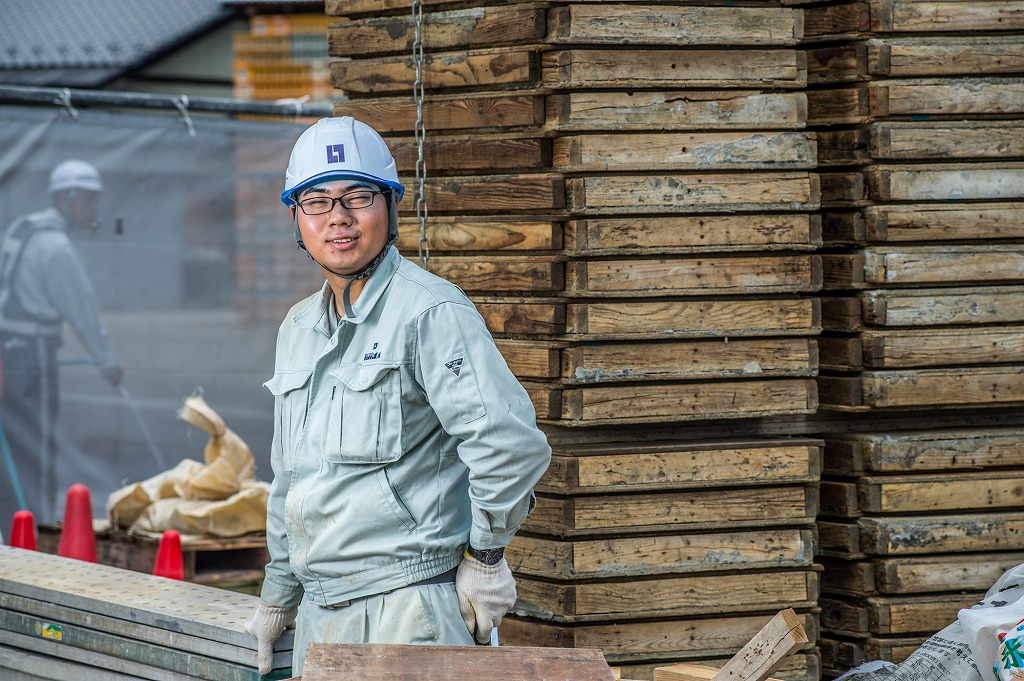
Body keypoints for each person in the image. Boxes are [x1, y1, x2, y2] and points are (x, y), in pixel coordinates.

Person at [245, 117, 551, 675]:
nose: (337, 217)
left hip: (410, 610)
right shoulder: (297, 329)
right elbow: (291, 477)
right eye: (316, 201)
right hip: (320, 613)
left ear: (388, 206)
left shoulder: (429, 312)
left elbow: (507, 444)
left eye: (357, 196)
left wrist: (484, 557)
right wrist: (278, 592)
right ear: (296, 215)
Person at [0, 160, 123, 529]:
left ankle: (11, 523)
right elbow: (81, 309)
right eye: (89, 199)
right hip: (31, 356)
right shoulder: (55, 246)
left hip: (8, 349)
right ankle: (33, 528)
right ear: (68, 197)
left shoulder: (23, 227)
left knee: (12, 444)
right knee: (36, 445)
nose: (94, 209)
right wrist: (107, 362)